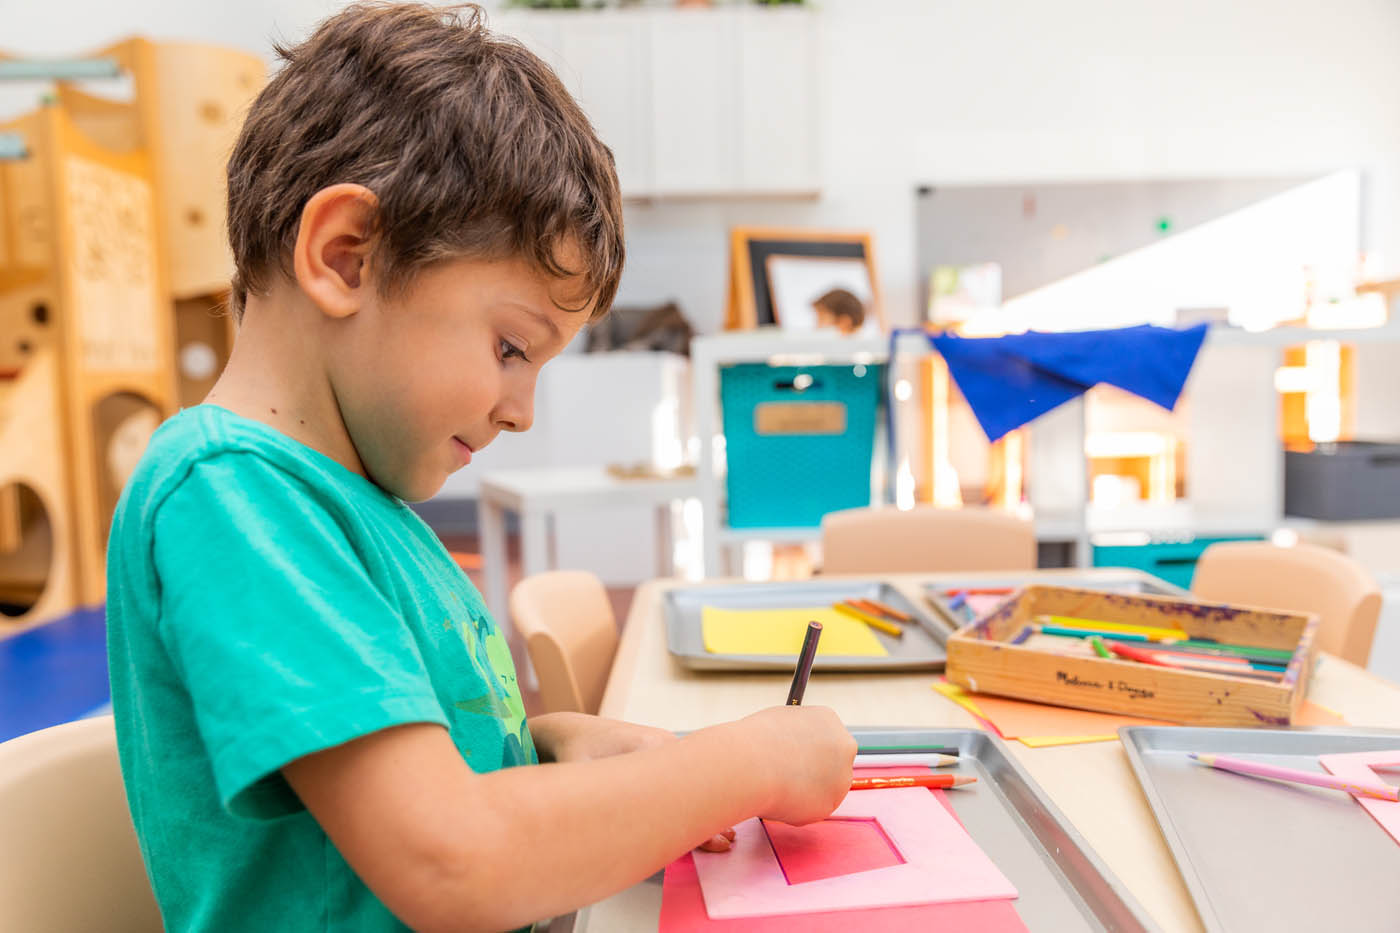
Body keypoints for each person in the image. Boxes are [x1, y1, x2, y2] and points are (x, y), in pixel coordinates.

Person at [105, 5, 856, 932]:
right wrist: (754, 762)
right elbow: (448, 859)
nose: (522, 409)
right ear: (346, 256)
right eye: (511, 347)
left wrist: (543, 747)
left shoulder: (358, 506)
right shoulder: (228, 494)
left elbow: (389, 780)